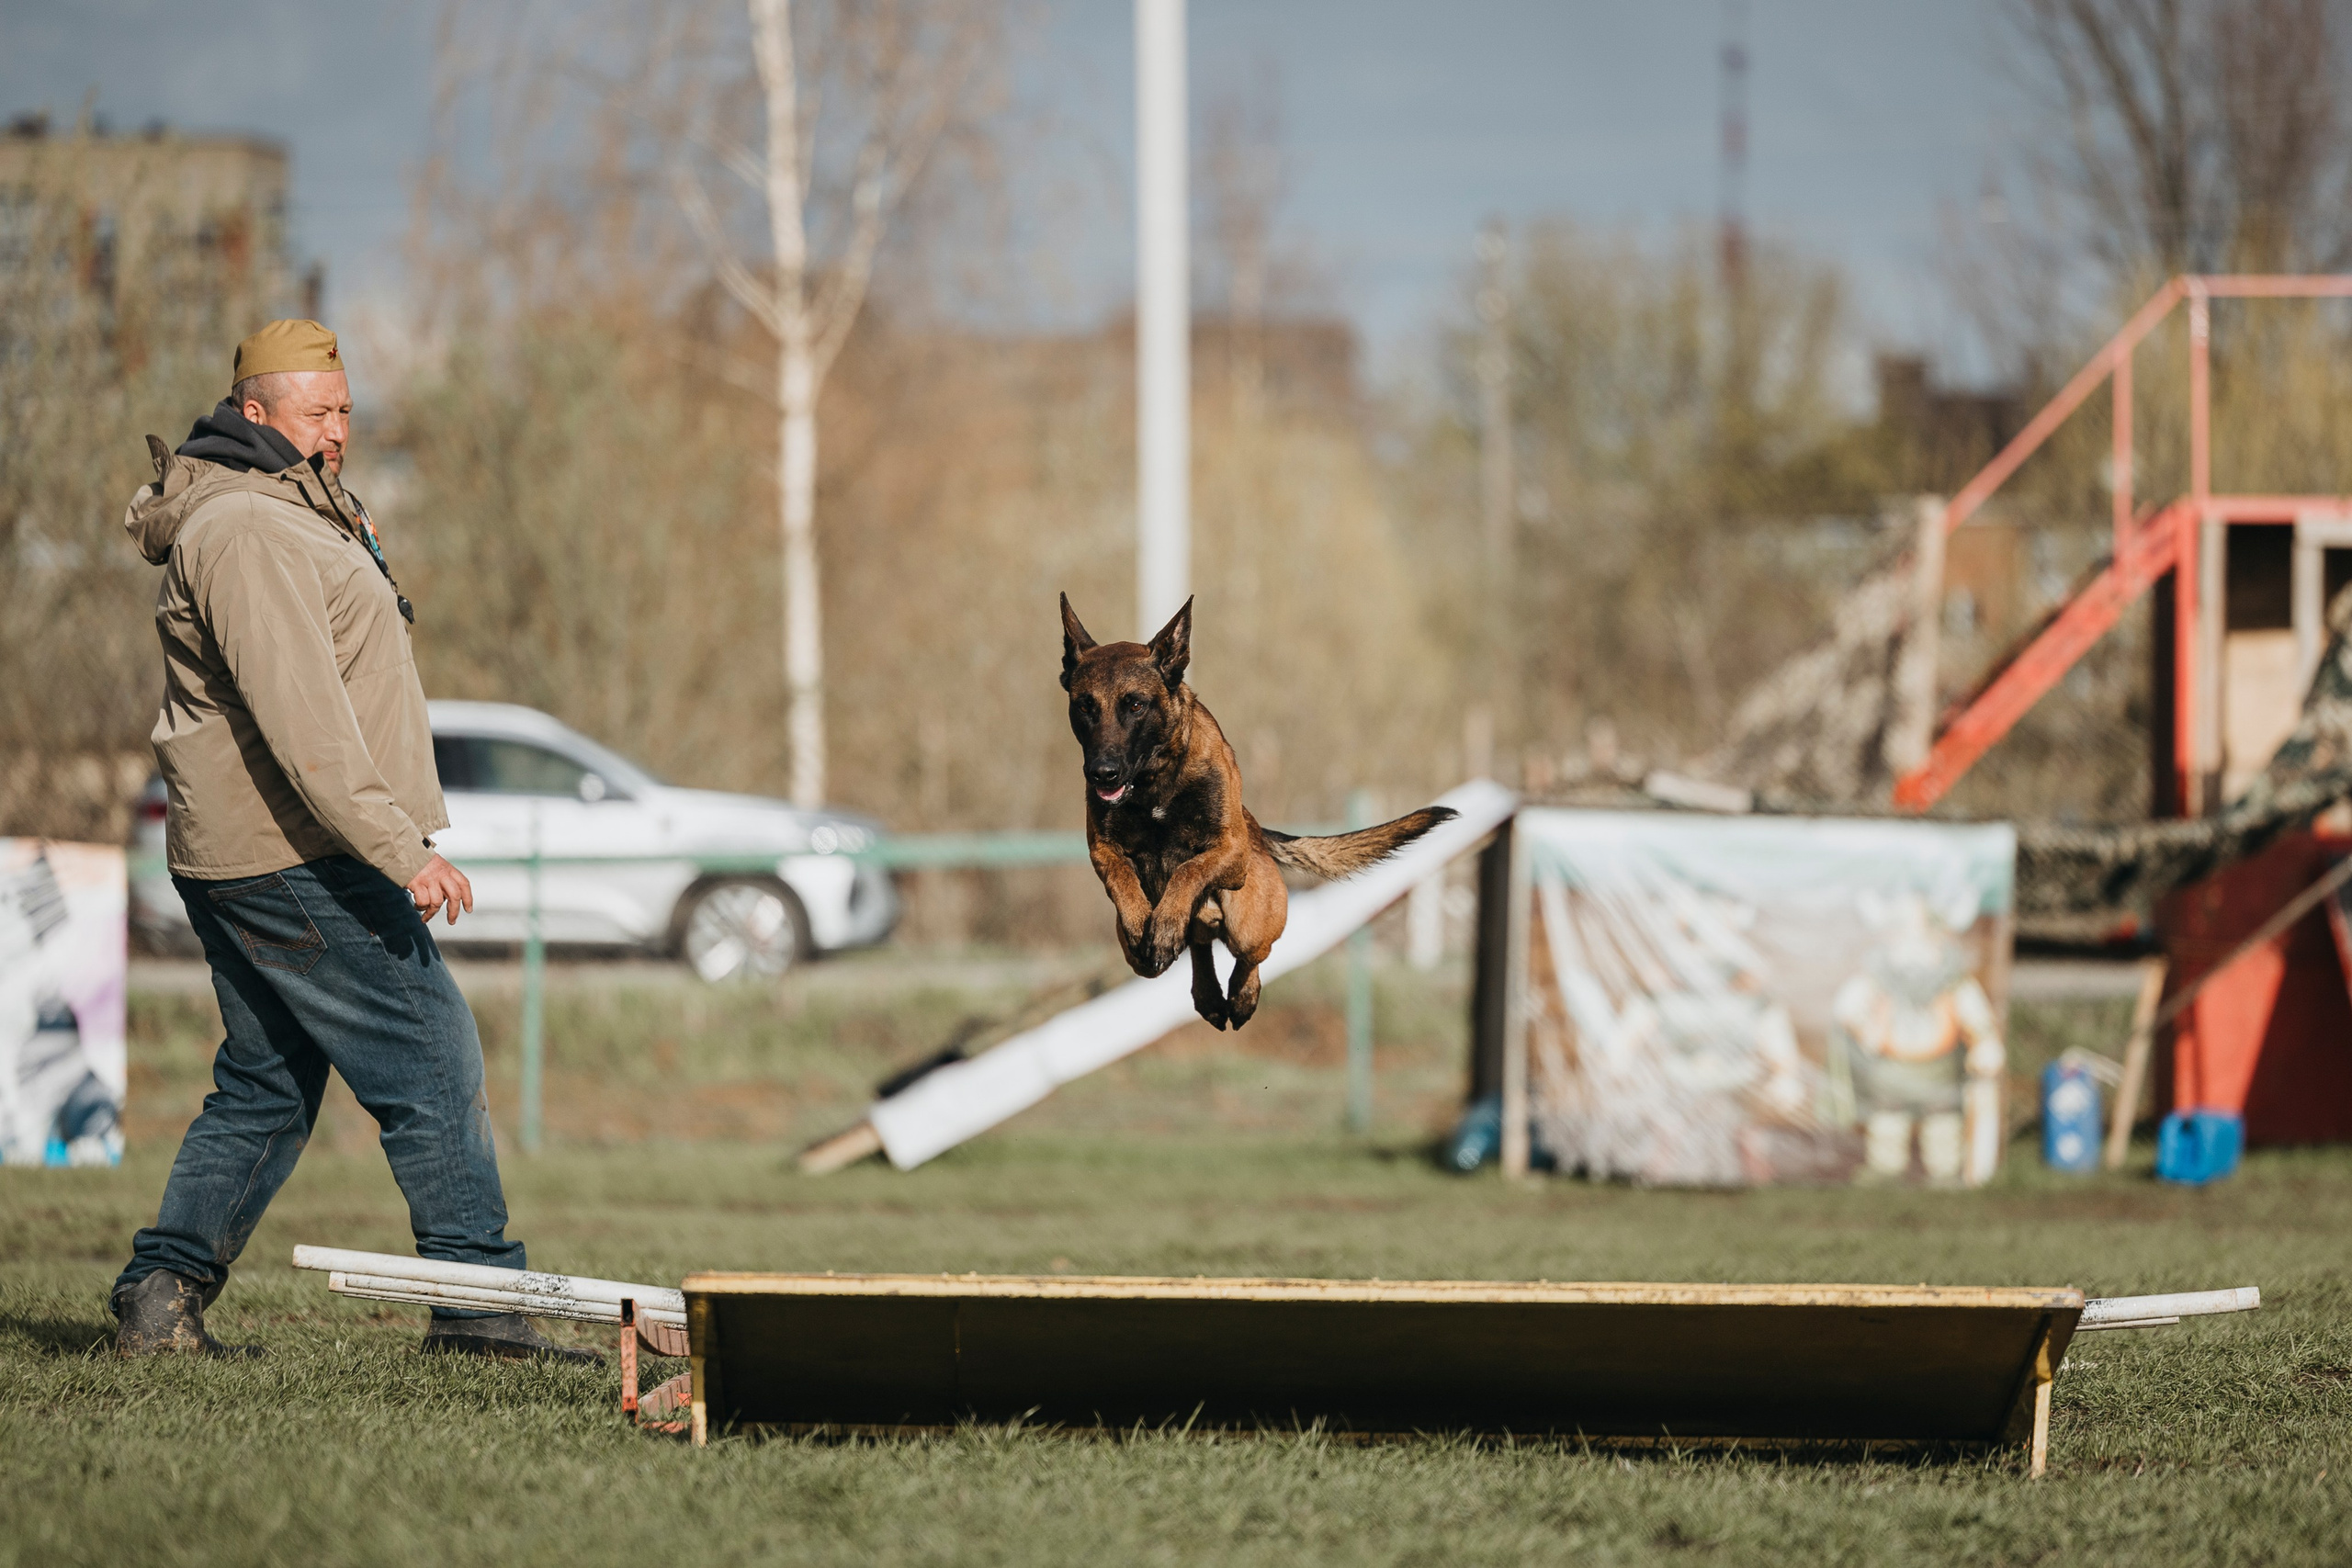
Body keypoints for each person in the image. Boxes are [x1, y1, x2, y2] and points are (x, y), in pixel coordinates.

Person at [110, 320, 594, 1364]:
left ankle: (162, 1295)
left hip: (261, 845)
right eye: (317, 413)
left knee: (268, 1085)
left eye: (345, 412)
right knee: (429, 1055)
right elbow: (301, 715)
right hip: (295, 849)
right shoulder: (244, 529)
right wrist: (396, 847)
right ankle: (477, 1312)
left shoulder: (289, 513)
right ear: (254, 415)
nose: (339, 432)